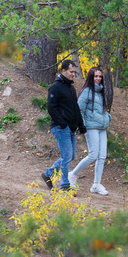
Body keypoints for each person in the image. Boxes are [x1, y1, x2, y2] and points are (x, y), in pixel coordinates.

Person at [41, 60, 86, 191]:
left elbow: (76, 108)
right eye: (71, 72)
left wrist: (81, 126)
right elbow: (51, 107)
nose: (73, 74)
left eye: (74, 72)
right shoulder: (55, 87)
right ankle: (65, 185)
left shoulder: (71, 88)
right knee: (67, 156)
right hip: (60, 127)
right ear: (63, 71)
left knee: (70, 156)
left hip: (71, 127)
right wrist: (61, 123)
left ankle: (48, 174)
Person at [68, 66, 111, 195]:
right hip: (91, 127)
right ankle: (73, 174)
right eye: (95, 76)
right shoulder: (86, 91)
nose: (98, 79)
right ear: (91, 78)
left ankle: (96, 185)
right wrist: (81, 126)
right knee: (93, 155)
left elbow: (102, 110)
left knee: (102, 156)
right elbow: (79, 109)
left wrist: (108, 117)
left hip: (102, 128)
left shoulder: (100, 92)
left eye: (100, 76)